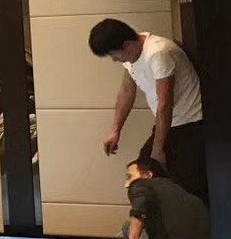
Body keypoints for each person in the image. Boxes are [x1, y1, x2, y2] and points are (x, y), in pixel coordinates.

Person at [88, 19, 207, 202]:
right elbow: (126, 92)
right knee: (142, 172)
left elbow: (165, 104)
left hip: (191, 123)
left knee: (184, 183)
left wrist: (158, 150)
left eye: (113, 54)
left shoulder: (158, 53)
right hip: (170, 123)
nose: (114, 60)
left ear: (126, 45)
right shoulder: (132, 57)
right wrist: (115, 130)